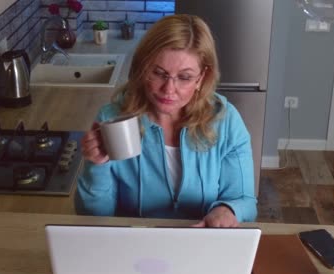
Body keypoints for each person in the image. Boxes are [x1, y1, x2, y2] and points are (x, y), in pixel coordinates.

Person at [74, 14, 257, 227]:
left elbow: (245, 202)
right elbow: (94, 217)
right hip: (134, 246)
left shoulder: (226, 121)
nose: (169, 89)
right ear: (143, 68)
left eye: (185, 77)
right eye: (159, 73)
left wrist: (227, 210)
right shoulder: (114, 119)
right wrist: (96, 167)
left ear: (201, 78)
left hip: (200, 244)